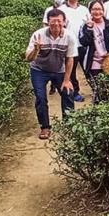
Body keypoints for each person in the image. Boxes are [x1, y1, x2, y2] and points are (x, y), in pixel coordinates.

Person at [26, 9, 77, 139]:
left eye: (59, 21)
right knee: (40, 97)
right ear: (48, 22)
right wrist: (36, 49)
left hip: (59, 70)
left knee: (67, 93)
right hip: (39, 70)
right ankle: (45, 127)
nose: (56, 24)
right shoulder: (38, 35)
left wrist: (67, 80)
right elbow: (29, 58)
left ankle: (69, 124)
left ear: (64, 22)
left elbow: (70, 59)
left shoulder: (69, 36)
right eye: (53, 21)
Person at [78, 1, 109, 102]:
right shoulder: (85, 26)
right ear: (90, 11)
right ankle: (98, 106)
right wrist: (89, 28)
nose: (97, 12)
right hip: (93, 61)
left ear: (103, 10)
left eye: (99, 9)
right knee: (98, 89)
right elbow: (83, 42)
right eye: (94, 9)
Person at [60, 0, 91, 102]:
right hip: (69, 46)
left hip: (83, 44)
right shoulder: (62, 10)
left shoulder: (84, 9)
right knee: (71, 70)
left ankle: (96, 90)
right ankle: (75, 92)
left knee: (88, 68)